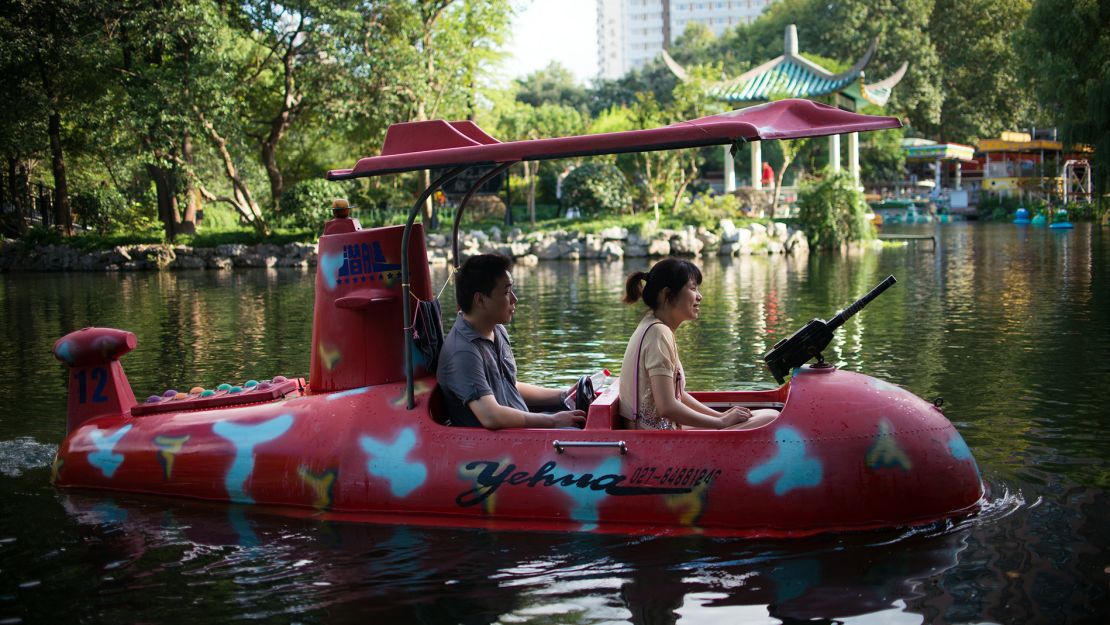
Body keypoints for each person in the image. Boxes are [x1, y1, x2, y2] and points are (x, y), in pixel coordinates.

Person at [618, 258, 779, 430]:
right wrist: (720, 423)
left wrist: (720, 415)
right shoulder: (658, 333)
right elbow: (667, 407)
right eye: (693, 288)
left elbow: (676, 395)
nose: (699, 296)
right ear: (667, 294)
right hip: (654, 440)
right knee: (770, 418)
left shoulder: (653, 326)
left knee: (764, 415)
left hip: (659, 432)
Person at [437, 254, 586, 429]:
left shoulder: (496, 329)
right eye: (507, 292)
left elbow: (509, 385)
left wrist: (564, 395)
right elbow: (491, 416)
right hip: (499, 447)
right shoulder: (463, 352)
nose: (515, 299)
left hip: (521, 431)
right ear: (480, 300)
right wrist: (552, 421)